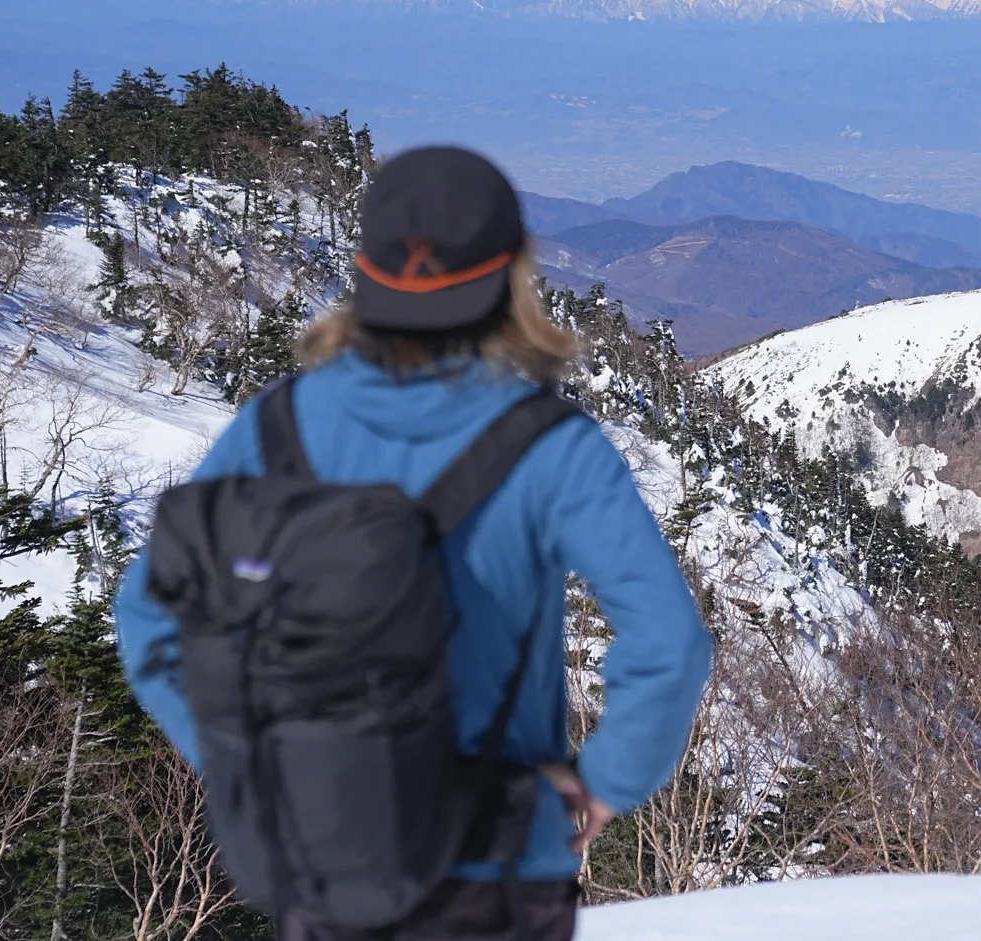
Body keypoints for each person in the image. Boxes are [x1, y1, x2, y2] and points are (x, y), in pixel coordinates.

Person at [113, 146, 714, 940]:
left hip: (323, 858)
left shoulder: (282, 422)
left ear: (365, 272)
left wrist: (248, 766)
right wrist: (603, 786)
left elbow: (148, 614)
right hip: (500, 860)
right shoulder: (550, 444)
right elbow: (669, 643)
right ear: (510, 277)